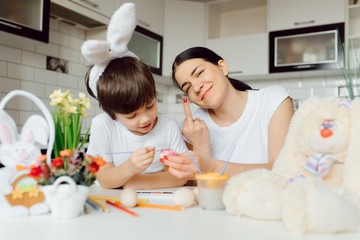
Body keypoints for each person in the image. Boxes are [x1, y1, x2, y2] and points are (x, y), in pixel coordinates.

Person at [82, 2, 188, 189]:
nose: (145, 118)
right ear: (111, 113)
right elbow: (104, 179)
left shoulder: (169, 127)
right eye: (132, 116)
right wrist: (129, 168)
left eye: (150, 105)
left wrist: (135, 182)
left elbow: (181, 176)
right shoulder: (103, 125)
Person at [163, 46, 294, 180]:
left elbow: (283, 170)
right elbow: (194, 187)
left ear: (222, 67)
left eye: (199, 73)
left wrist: (212, 167)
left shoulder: (273, 100)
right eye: (188, 87)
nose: (196, 87)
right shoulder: (194, 127)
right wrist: (201, 147)